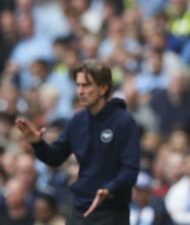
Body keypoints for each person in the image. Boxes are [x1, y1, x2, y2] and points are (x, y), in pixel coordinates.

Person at [15, 59, 141, 225]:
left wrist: (109, 190)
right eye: (78, 85)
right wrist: (37, 143)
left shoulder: (124, 122)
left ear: (103, 88)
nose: (80, 91)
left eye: (86, 85)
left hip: (112, 212)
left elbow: (130, 170)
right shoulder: (77, 121)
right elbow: (55, 158)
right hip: (80, 210)